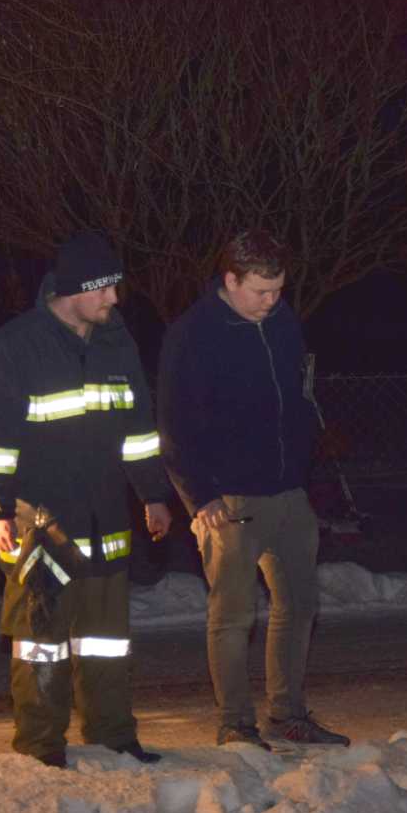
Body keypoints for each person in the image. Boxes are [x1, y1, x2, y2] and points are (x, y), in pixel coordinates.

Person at [0, 232, 173, 769]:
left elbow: (139, 433)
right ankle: (40, 747)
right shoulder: (12, 349)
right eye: (104, 289)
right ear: (74, 289)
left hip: (107, 522)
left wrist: (153, 495)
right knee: (41, 644)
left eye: (115, 288)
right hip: (39, 526)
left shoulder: (117, 344)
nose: (114, 300)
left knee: (106, 643)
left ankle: (114, 738)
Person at [156, 229, 348, 751]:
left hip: (288, 491)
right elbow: (173, 427)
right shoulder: (193, 335)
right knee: (233, 616)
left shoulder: (282, 321)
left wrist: (311, 460)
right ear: (230, 280)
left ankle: (287, 715)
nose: (272, 302)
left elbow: (297, 394)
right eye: (261, 291)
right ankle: (235, 724)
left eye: (278, 290)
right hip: (228, 500)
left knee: (299, 604)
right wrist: (200, 496)